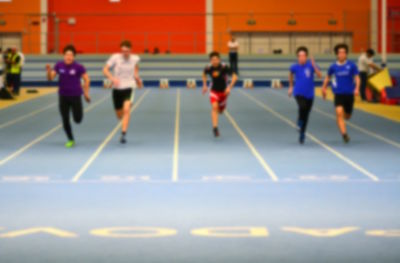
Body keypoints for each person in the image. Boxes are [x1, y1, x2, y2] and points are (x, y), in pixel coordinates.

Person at [46, 45, 91, 148]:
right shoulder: (59, 65)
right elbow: (50, 78)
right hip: (63, 96)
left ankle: (77, 116)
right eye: (67, 54)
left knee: (77, 119)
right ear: (64, 55)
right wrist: (48, 71)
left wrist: (86, 94)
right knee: (65, 119)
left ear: (74, 57)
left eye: (71, 55)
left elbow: (87, 80)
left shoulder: (79, 67)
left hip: (76, 96)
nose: (68, 57)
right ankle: (70, 139)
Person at [103, 40, 143, 144]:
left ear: (130, 50)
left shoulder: (135, 58)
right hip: (117, 89)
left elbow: (136, 67)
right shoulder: (115, 57)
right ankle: (125, 121)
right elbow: (105, 70)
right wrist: (112, 78)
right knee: (119, 115)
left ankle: (123, 134)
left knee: (126, 110)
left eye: (127, 51)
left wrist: (136, 77)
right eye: (123, 51)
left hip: (129, 87)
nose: (125, 53)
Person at [322, 43, 360, 143]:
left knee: (347, 116)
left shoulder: (351, 65)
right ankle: (344, 134)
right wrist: (324, 88)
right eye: (340, 52)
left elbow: (357, 77)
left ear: (346, 54)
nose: (342, 54)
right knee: (339, 113)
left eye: (344, 52)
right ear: (337, 54)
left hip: (349, 94)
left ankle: (345, 116)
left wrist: (357, 88)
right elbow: (328, 77)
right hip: (338, 93)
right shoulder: (333, 67)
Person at [288, 46, 322, 144]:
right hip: (298, 92)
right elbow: (290, 74)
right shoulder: (294, 67)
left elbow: (320, 76)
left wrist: (314, 65)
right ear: (297, 57)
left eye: (303, 56)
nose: (301, 57)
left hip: (310, 94)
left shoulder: (311, 65)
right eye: (300, 56)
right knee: (302, 107)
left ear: (306, 56)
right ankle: (299, 122)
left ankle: (302, 133)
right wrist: (290, 86)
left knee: (306, 115)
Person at [202, 51, 238, 137]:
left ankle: (221, 108)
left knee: (221, 111)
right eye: (213, 59)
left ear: (219, 60)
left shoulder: (224, 67)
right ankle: (215, 128)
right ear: (210, 60)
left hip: (224, 92)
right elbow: (204, 74)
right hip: (214, 91)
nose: (214, 61)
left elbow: (235, 77)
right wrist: (204, 85)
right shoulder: (208, 68)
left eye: (216, 59)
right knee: (214, 107)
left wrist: (229, 87)